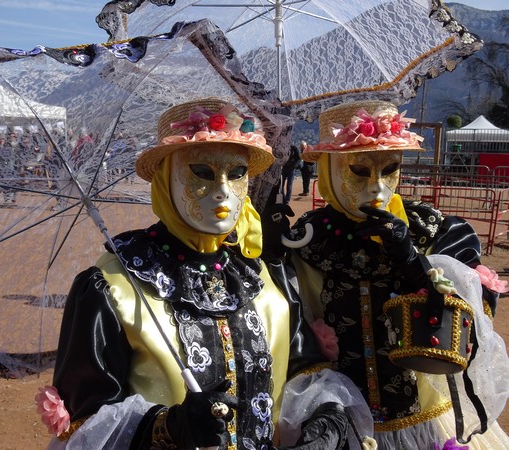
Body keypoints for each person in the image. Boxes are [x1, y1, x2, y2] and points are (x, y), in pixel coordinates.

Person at [36, 98, 357, 450]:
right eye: (201, 172)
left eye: (236, 174)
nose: (222, 191)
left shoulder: (262, 277)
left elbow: (300, 369)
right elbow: (86, 422)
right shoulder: (115, 289)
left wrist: (324, 415)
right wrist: (166, 426)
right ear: (164, 179)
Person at [262, 100, 509, 449]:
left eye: (389, 167)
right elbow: (280, 325)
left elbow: (468, 328)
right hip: (338, 424)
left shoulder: (432, 232)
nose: (377, 186)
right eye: (359, 169)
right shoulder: (304, 240)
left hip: (424, 423)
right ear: (330, 169)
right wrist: (271, 254)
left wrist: (412, 261)